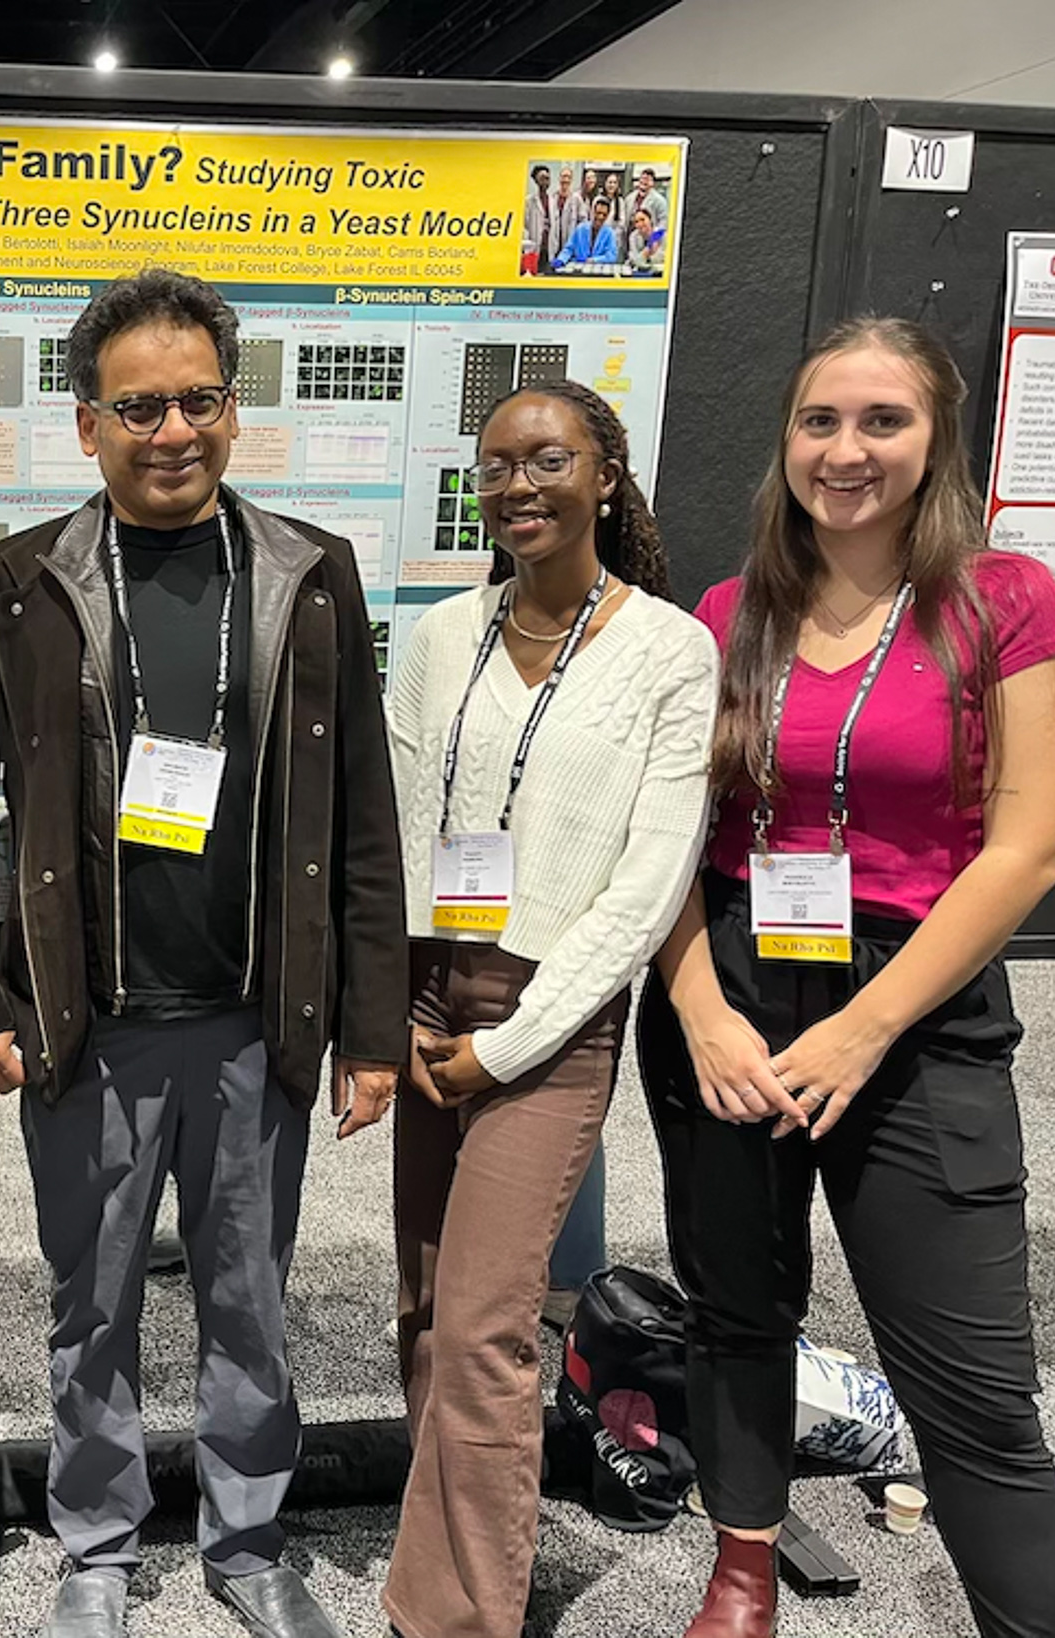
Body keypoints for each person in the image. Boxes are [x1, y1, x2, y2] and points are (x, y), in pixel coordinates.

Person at [0, 267, 407, 1638]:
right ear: (87, 425)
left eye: (199, 398)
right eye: (139, 405)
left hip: (258, 1021)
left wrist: (371, 1022)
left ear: (233, 411)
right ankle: (98, 1541)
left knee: (251, 1297)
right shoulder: (19, 584)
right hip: (90, 1025)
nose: (173, 428)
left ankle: (248, 1535)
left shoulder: (312, 571)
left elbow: (360, 811)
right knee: (94, 1298)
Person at [640, 315, 1055, 1638]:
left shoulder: (1007, 602)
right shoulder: (729, 612)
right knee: (737, 1304)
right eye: (820, 421)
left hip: (916, 1005)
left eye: (883, 421)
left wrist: (869, 1029)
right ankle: (743, 1569)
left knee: (978, 1382)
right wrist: (700, 1009)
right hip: (734, 985)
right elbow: (669, 841)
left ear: (937, 439)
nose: (846, 448)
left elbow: (1030, 838)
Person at [382, 380, 716, 1638]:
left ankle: (459, 1618)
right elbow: (403, 828)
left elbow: (645, 884)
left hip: (546, 1016)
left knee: (481, 1328)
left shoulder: (667, 650)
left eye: (546, 459)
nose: (516, 484)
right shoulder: (438, 636)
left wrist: (504, 1048)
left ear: (607, 473)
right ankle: (437, 1561)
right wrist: (390, 1014)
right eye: (495, 465)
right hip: (427, 987)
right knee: (421, 1306)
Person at [553, 198, 619, 271]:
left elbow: (611, 256)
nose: (600, 217)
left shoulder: (609, 233)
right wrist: (561, 260)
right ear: (592, 212)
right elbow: (569, 249)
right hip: (579, 270)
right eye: (598, 213)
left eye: (604, 214)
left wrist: (594, 260)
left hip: (599, 272)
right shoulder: (580, 229)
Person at [522, 164, 555, 275]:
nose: (545, 181)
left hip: (549, 247)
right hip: (534, 246)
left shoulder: (552, 200)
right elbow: (525, 225)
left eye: (548, 178)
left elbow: (555, 225)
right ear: (536, 180)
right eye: (542, 178)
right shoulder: (529, 201)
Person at [551, 166, 584, 271]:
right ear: (559, 178)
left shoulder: (576, 198)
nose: (565, 179)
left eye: (568, 177)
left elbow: (583, 220)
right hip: (554, 240)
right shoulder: (553, 197)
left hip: (571, 240)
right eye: (563, 176)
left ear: (571, 180)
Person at [627, 207, 666, 273]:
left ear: (650, 220)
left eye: (643, 219)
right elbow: (633, 258)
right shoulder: (633, 236)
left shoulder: (661, 234)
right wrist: (646, 252)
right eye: (636, 222)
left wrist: (647, 259)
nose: (640, 224)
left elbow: (663, 257)